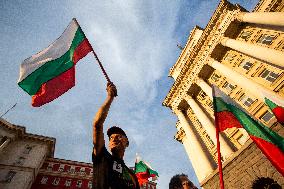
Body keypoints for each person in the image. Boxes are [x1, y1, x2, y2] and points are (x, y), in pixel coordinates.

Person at [92, 82, 140, 189]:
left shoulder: (131, 175)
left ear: (127, 143)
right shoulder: (102, 156)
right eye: (111, 138)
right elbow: (97, 124)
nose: (114, 139)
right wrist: (110, 97)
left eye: (119, 136)